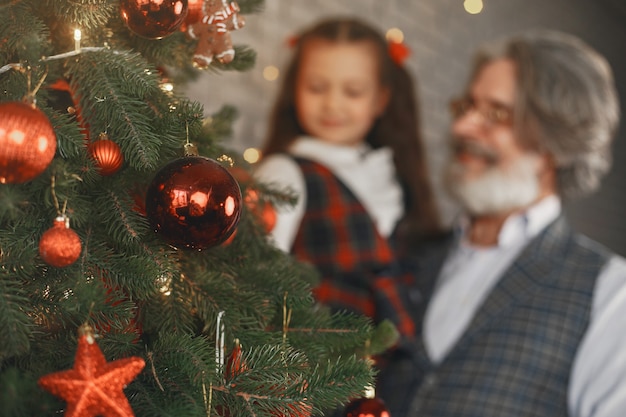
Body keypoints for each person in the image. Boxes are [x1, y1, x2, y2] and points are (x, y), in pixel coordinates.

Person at [375, 29, 626, 417]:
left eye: (495, 114)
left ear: (552, 142)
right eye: (466, 107)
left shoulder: (610, 292)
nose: (462, 128)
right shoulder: (407, 253)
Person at [253, 18, 442, 338]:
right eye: (316, 87)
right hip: (303, 364)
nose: (332, 104)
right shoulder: (285, 172)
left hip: (382, 375)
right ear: (294, 89)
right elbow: (257, 279)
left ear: (381, 100)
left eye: (353, 92)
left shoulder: (392, 178)